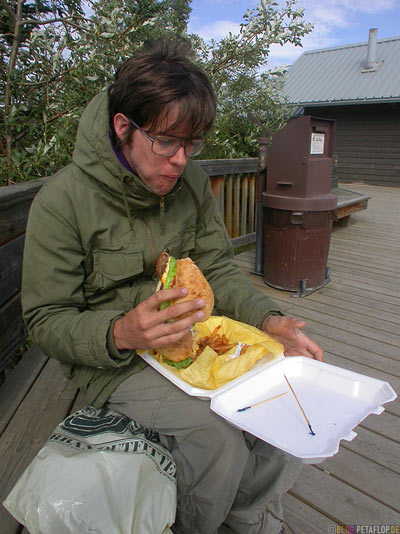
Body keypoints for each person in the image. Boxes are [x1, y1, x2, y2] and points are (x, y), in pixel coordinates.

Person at [21, 38, 323, 534]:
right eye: (167, 142)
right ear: (124, 128)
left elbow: (220, 269)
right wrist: (121, 332)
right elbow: (46, 321)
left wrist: (270, 321)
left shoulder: (191, 183)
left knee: (290, 398)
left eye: (192, 144)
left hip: (198, 342)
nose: (181, 160)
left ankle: (243, 518)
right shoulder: (63, 202)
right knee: (217, 436)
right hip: (114, 363)